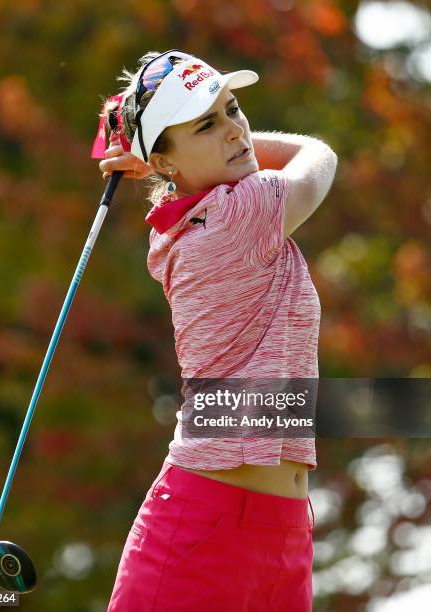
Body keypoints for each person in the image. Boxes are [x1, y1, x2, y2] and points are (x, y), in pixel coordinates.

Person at [98, 49, 338, 611]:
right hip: (206, 532)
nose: (236, 131)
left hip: (281, 536)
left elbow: (242, 159)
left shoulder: (190, 219)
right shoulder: (240, 213)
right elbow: (317, 155)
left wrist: (158, 158)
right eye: (207, 123)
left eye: (234, 110)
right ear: (164, 162)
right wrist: (151, 159)